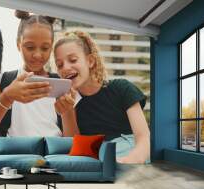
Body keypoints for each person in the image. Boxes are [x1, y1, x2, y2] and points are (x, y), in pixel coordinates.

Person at [53, 31, 150, 164]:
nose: (65, 67)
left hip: (129, 152)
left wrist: (131, 161)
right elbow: (74, 149)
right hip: (95, 158)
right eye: (60, 65)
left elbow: (143, 137)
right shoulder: (65, 102)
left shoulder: (121, 88)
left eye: (73, 60)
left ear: (90, 61)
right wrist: (67, 113)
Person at [0, 10, 77, 137]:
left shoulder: (62, 84)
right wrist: (7, 96)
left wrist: (67, 112)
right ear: (18, 44)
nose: (37, 55)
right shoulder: (4, 80)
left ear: (51, 47)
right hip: (13, 154)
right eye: (30, 47)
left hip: (52, 154)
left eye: (45, 48)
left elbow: (72, 142)